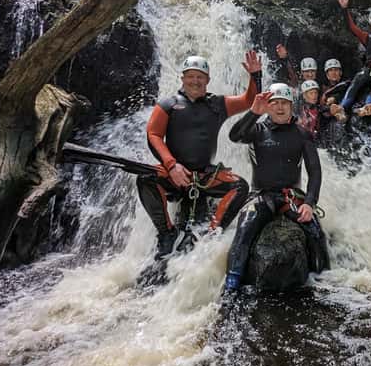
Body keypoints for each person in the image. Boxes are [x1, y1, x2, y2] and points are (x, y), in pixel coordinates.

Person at [136, 51, 262, 261]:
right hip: (174, 173)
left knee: (240, 186)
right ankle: (167, 233)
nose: (195, 81)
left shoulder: (218, 104)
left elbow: (250, 100)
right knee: (145, 179)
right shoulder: (168, 105)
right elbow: (154, 135)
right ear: (183, 78)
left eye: (200, 76)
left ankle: (210, 234)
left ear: (208, 80)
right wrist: (172, 166)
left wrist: (255, 76)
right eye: (191, 76)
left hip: (204, 176)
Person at [224, 83, 327, 291]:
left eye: (284, 103)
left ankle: (325, 280)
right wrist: (253, 112)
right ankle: (232, 283)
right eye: (275, 103)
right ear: (267, 106)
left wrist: (309, 203)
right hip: (261, 195)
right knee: (244, 229)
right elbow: (234, 136)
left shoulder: (302, 134)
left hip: (291, 195)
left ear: (291, 106)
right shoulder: (257, 131)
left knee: (316, 232)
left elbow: (315, 172)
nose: (279, 108)